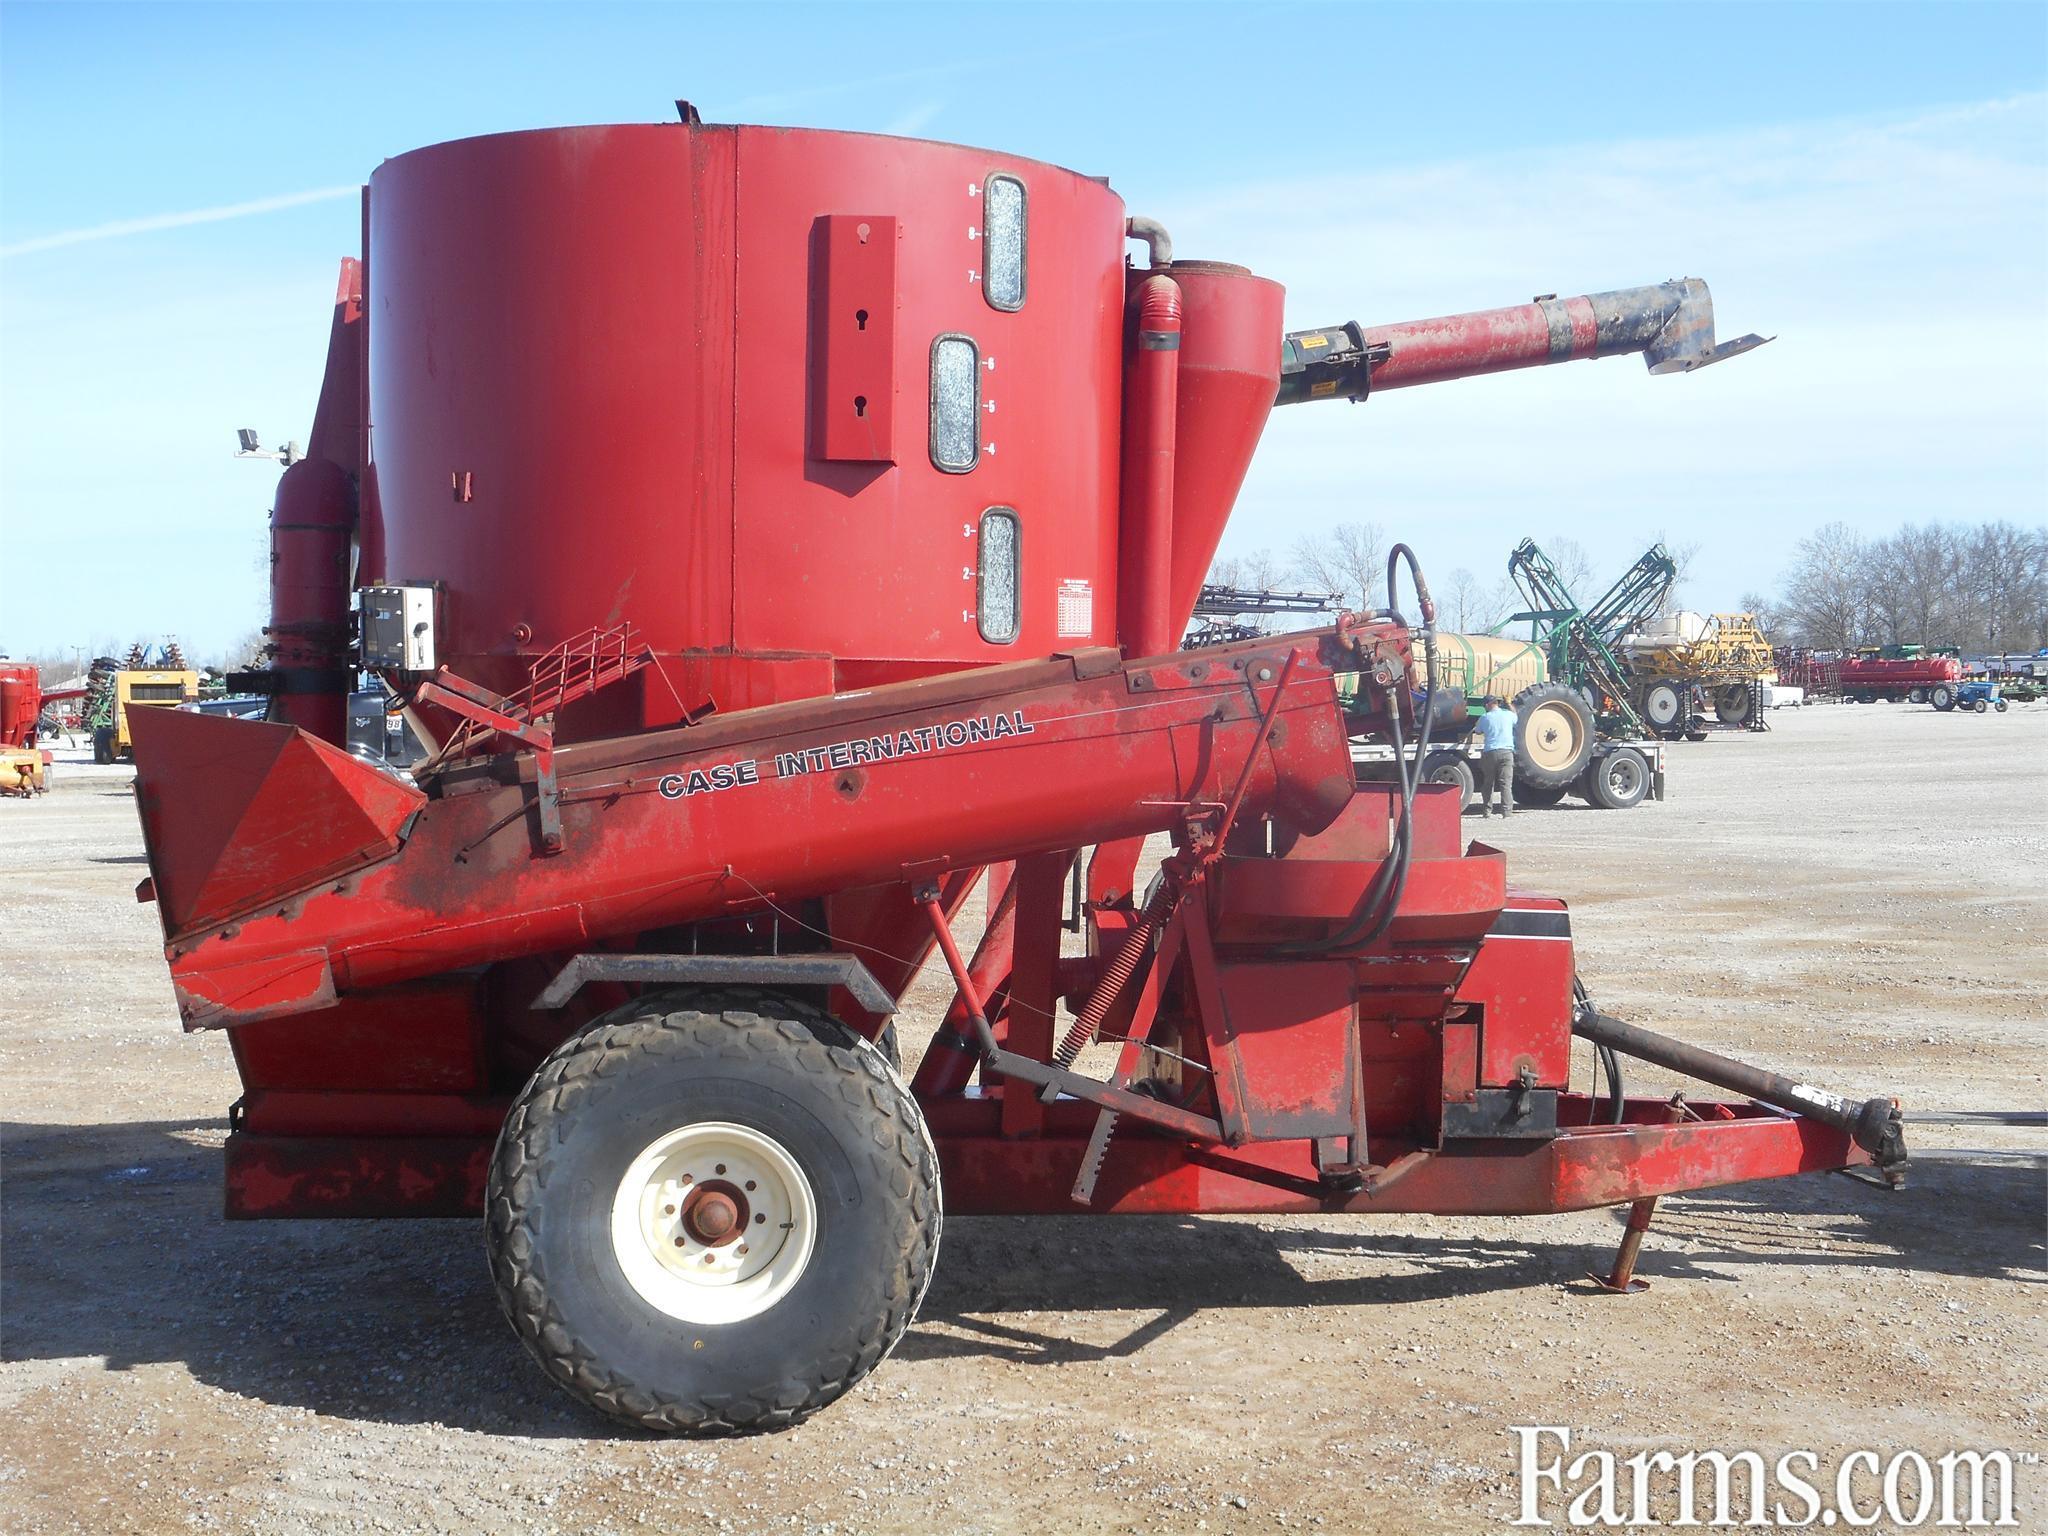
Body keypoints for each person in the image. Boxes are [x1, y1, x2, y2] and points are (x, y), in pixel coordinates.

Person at [1473, 695, 1518, 816]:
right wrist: (1509, 704)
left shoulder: (1485, 717)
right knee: (1506, 784)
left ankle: (1487, 811)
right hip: (1506, 753)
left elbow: (1477, 731)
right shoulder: (1508, 715)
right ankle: (1506, 812)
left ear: (1487, 705)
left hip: (1490, 752)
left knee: (1488, 783)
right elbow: (1516, 717)